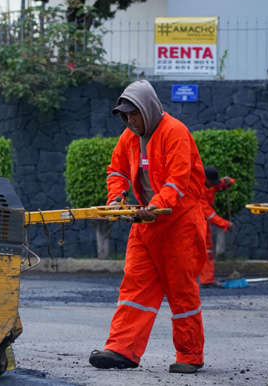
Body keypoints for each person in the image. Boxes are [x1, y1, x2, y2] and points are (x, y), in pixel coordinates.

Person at [89, 79, 208, 374]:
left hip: (179, 224)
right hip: (145, 222)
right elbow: (116, 170)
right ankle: (121, 350)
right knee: (135, 287)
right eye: (126, 116)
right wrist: (115, 198)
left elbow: (177, 180)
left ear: (148, 109)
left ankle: (190, 355)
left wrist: (155, 206)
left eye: (134, 114)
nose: (130, 121)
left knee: (181, 291)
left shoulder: (175, 132)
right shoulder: (129, 137)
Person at [199, 165, 235, 288]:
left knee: (207, 251)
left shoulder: (208, 185)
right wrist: (226, 224)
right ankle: (203, 280)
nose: (214, 184)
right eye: (212, 182)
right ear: (206, 179)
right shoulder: (199, 191)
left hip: (204, 223)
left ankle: (207, 280)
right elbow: (209, 214)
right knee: (200, 251)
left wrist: (229, 182)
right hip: (196, 223)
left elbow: (220, 185)